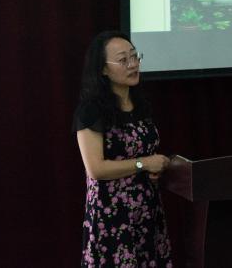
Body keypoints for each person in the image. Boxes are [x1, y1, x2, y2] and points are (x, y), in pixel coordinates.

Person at [74, 30, 173, 267]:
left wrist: (157, 167)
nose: (133, 64)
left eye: (134, 56)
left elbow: (146, 154)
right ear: (103, 69)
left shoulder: (140, 105)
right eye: (123, 60)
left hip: (147, 210)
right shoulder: (91, 110)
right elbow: (96, 169)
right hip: (111, 216)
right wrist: (143, 163)